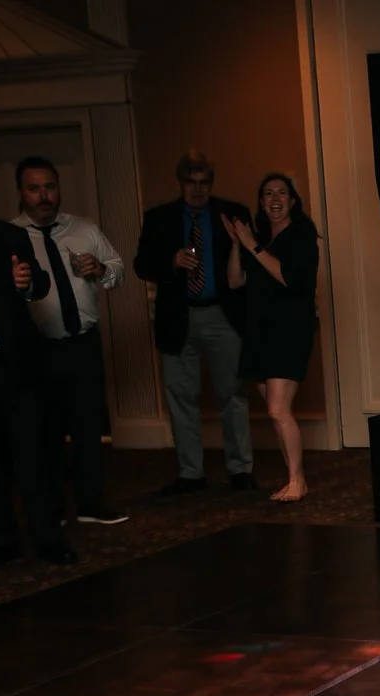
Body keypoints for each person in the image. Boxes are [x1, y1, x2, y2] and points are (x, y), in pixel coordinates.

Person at [133, 150, 256, 496]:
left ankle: (241, 469)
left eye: (204, 183)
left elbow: (252, 260)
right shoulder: (159, 218)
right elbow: (142, 265)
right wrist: (170, 262)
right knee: (180, 395)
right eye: (191, 182)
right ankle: (191, 473)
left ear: (211, 184)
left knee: (232, 393)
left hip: (222, 314)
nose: (198, 189)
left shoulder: (233, 213)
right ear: (181, 182)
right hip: (178, 315)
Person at [13, 155, 128, 526]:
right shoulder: (10, 237)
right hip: (38, 349)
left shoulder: (85, 228)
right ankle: (52, 511)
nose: (44, 195)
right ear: (21, 192)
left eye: (49, 186)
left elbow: (118, 268)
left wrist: (100, 269)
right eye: (34, 188)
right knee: (45, 432)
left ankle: (91, 503)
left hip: (82, 344)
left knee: (88, 426)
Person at [0, 209, 75, 568]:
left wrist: (26, 283)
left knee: (33, 456)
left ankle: (49, 540)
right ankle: (0, 542)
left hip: (13, 364)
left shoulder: (5, 236)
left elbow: (40, 284)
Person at [221, 172, 320, 502]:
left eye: (282, 193)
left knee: (279, 409)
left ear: (292, 201)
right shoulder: (260, 238)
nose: (275, 199)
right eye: (268, 194)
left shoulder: (302, 236)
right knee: (274, 411)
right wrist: (238, 244)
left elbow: (288, 277)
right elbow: (235, 281)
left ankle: (298, 480)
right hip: (260, 332)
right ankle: (292, 477)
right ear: (261, 203)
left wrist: (252, 244)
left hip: (289, 332)